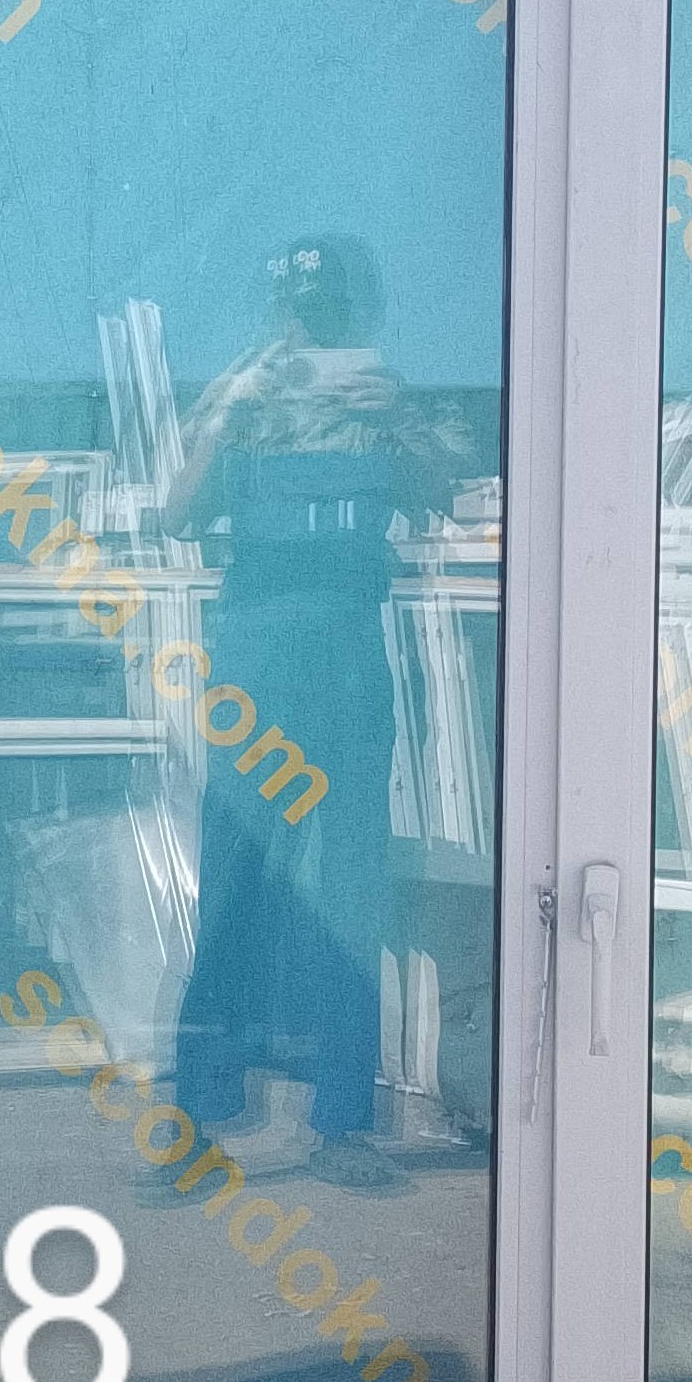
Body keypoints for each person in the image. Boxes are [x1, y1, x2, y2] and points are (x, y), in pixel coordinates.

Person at [166, 237, 463, 1192]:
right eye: (302, 309)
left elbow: (439, 498)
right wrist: (233, 412)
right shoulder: (241, 394)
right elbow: (176, 510)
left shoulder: (385, 399)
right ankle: (196, 1114)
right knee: (234, 877)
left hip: (346, 648)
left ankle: (339, 1124)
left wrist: (397, 417)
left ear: (358, 314)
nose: (314, 327)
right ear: (278, 311)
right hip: (257, 651)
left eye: (331, 310)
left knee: (351, 887)